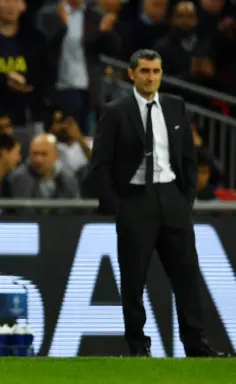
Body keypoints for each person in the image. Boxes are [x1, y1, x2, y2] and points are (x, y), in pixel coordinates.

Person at [87, 49, 225, 358]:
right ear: (131, 74)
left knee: (187, 274)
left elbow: (189, 158)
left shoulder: (176, 107)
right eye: (145, 71)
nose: (151, 77)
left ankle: (196, 344)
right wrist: (118, 206)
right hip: (135, 200)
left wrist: (184, 198)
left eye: (156, 71)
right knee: (134, 278)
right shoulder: (116, 111)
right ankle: (138, 346)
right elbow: (100, 166)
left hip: (171, 198)